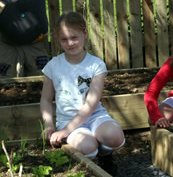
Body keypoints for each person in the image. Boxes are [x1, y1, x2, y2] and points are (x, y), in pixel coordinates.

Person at [40, 11, 125, 175]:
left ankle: (105, 156)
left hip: (94, 116)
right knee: (86, 146)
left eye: (74, 37)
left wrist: (65, 132)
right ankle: (91, 166)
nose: (70, 43)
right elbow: (45, 99)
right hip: (68, 119)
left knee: (115, 136)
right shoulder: (53, 66)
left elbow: (91, 103)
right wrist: (49, 124)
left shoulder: (95, 65)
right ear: (58, 40)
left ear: (85, 33)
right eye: (64, 39)